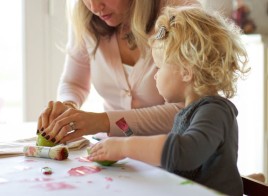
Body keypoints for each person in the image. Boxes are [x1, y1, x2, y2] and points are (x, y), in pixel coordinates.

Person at [88, 6, 250, 196]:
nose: (155, 76)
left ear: (186, 71)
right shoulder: (189, 111)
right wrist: (126, 135)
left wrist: (125, 147)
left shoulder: (214, 112)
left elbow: (184, 153)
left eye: (159, 67)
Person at [37, 0, 200, 144]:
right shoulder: (86, 17)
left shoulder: (182, 12)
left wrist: (103, 122)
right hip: (114, 154)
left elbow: (184, 111)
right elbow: (74, 83)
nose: (94, 7)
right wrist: (68, 107)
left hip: (171, 158)